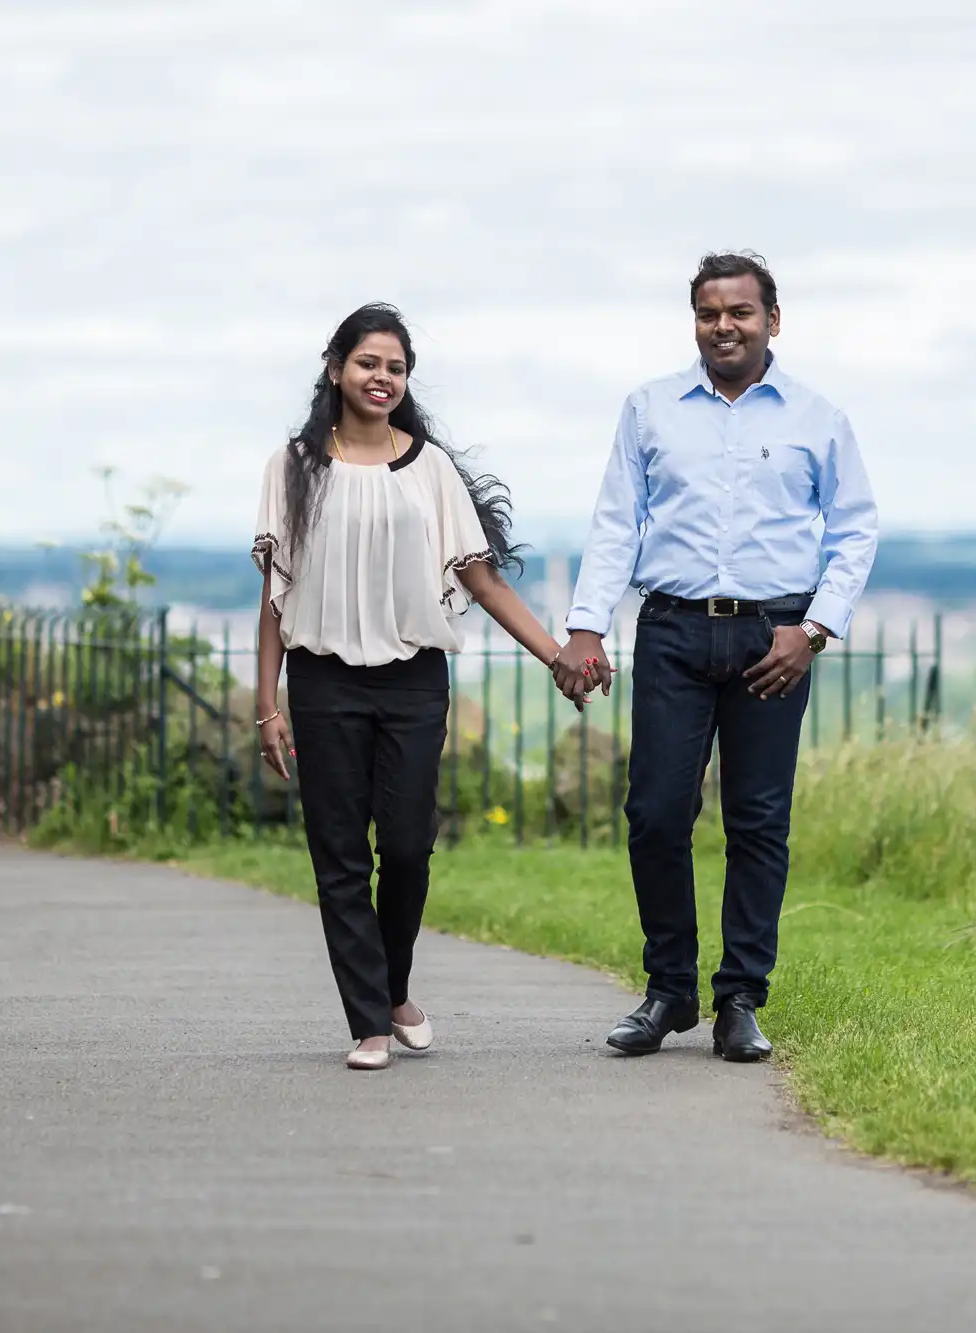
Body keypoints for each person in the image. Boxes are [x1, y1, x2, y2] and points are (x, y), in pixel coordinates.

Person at [560, 252, 879, 1062]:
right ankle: (669, 990)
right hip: (671, 629)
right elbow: (613, 524)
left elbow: (854, 530)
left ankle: (740, 997)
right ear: (695, 321)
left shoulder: (817, 418)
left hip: (773, 639)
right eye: (709, 313)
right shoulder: (650, 410)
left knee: (759, 821)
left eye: (740, 312)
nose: (724, 326)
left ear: (774, 320)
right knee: (656, 814)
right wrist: (588, 626)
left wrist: (814, 630)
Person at [254, 304, 583, 1071]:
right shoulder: (294, 466)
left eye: (396, 368)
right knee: (338, 855)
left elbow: (481, 578)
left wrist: (556, 654)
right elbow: (275, 592)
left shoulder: (428, 468)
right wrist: (266, 703)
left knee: (405, 847)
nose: (383, 378)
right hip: (323, 681)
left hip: (411, 681)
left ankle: (394, 985)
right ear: (335, 367)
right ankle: (370, 1021)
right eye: (369, 362)